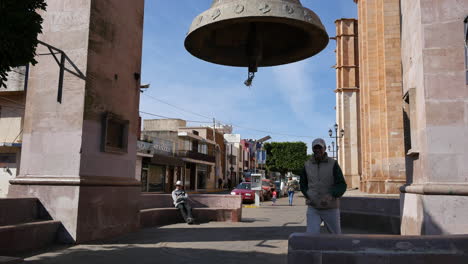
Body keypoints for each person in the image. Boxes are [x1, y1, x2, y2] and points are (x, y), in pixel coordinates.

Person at [300, 138, 347, 234]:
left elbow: (342, 184)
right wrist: (308, 194)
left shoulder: (333, 164)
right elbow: (303, 184)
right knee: (311, 235)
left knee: (336, 236)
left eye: (320, 148)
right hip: (313, 207)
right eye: (315, 148)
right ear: (312, 149)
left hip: (331, 207)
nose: (317, 150)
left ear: (325, 148)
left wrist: (331, 195)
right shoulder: (307, 165)